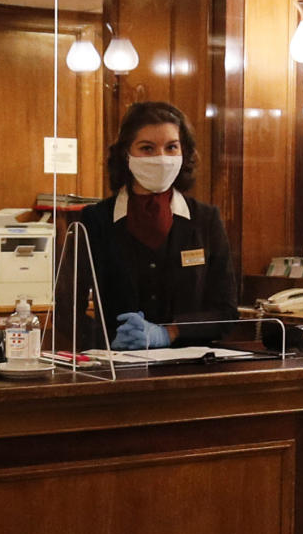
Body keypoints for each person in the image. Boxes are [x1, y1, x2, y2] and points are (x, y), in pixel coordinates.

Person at [69, 101, 236, 349]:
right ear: (126, 154)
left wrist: (170, 332)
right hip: (114, 368)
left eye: (171, 147)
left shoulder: (205, 219)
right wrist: (102, 341)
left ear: (184, 152)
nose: (161, 158)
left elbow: (226, 312)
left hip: (190, 367)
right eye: (147, 148)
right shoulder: (95, 219)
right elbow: (67, 307)